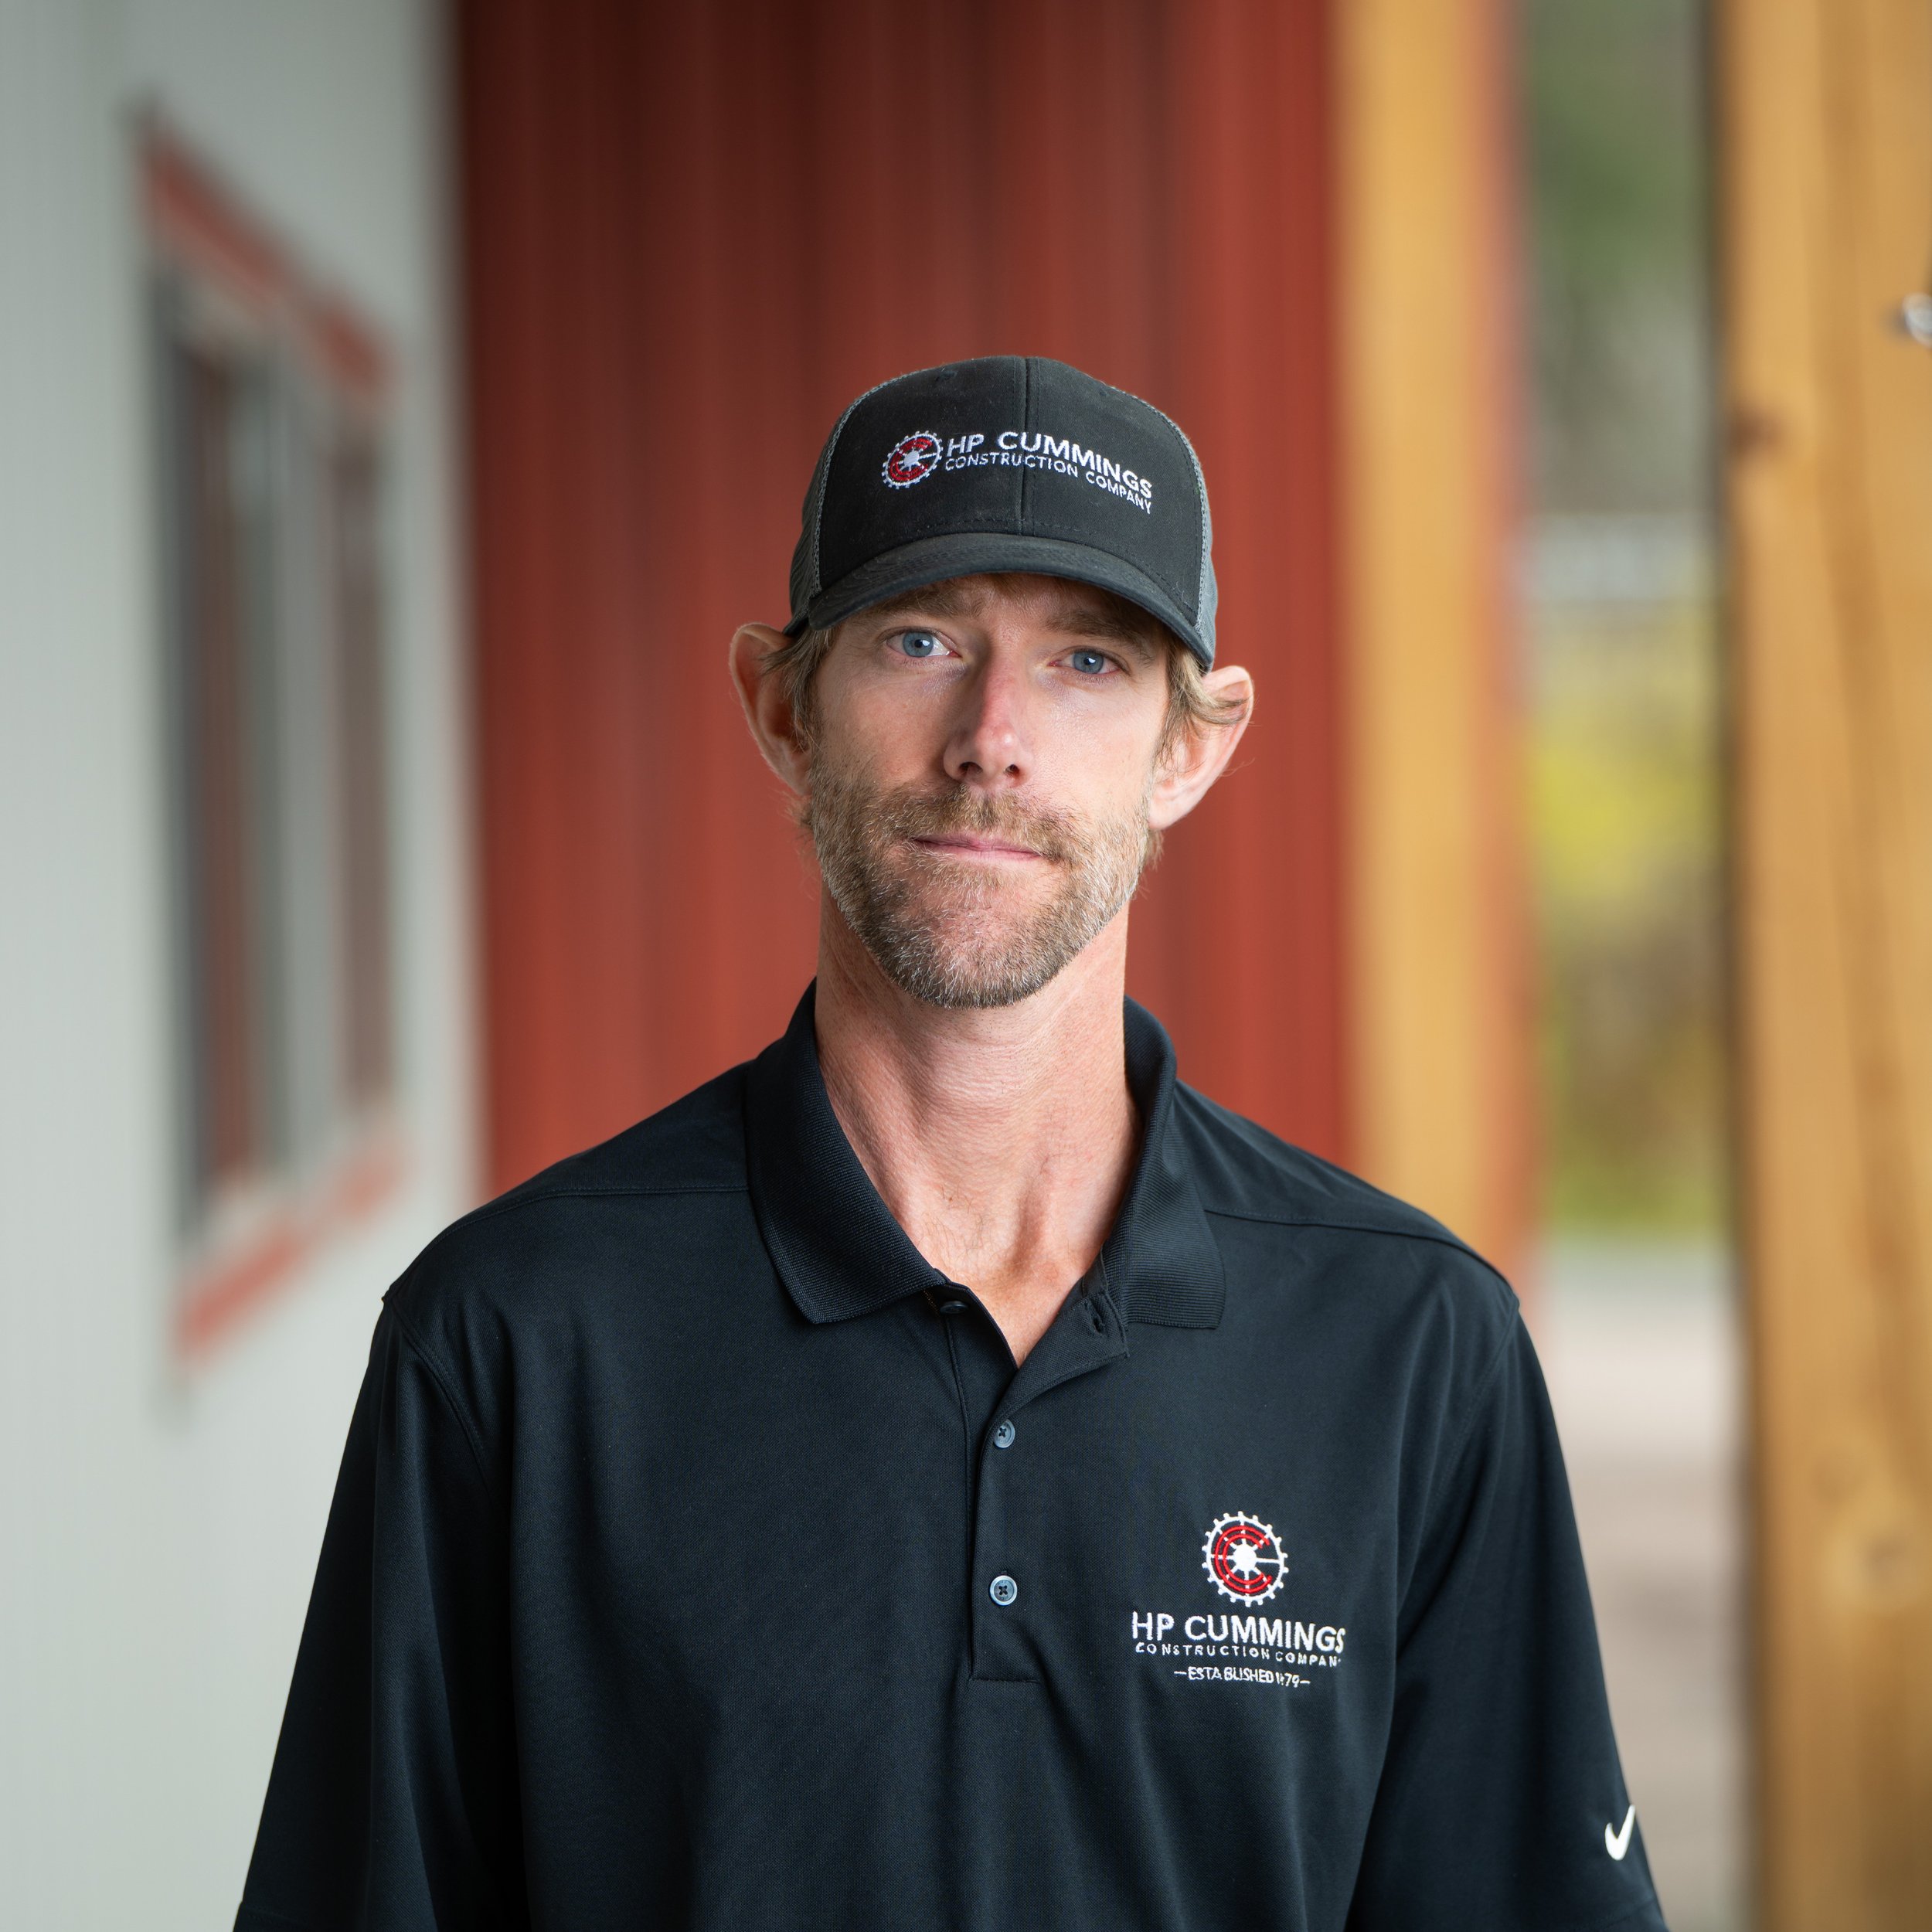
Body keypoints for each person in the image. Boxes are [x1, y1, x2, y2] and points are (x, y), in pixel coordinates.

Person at [236, 355, 1667, 1932]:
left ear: (1189, 749)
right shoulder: (514, 1334)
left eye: (1086, 660)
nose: (992, 737)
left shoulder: (1410, 1346)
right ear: (783, 709)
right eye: (920, 640)